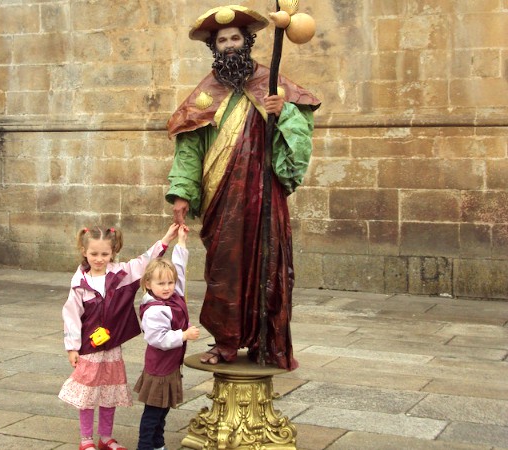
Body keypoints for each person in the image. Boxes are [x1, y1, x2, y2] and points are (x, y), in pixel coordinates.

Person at [165, 5, 321, 370]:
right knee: (225, 268)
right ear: (214, 47)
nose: (230, 45)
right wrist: (181, 192)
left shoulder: (272, 85)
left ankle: (269, 344)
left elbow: (302, 133)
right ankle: (226, 341)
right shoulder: (204, 96)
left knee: (268, 266)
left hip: (265, 194)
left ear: (247, 42)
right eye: (223, 40)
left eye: (236, 38)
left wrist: (283, 111)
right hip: (224, 199)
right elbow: (189, 148)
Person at [59, 224, 179, 450]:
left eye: (105, 254)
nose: (99, 258)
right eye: (94, 254)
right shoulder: (79, 283)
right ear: (84, 251)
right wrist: (72, 347)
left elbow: (144, 261)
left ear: (113, 252)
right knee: (87, 394)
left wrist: (165, 240)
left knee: (109, 391)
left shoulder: (122, 274)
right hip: (88, 348)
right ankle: (86, 440)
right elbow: (72, 316)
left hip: (112, 346)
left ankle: (105, 437)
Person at [134, 224, 200, 450]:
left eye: (169, 283)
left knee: (163, 411)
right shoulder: (155, 309)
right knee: (153, 413)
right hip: (159, 368)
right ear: (148, 285)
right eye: (161, 283)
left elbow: (179, 269)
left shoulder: (174, 294)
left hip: (170, 366)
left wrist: (181, 242)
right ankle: (145, 446)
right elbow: (158, 339)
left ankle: (158, 444)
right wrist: (183, 335)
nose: (167, 287)